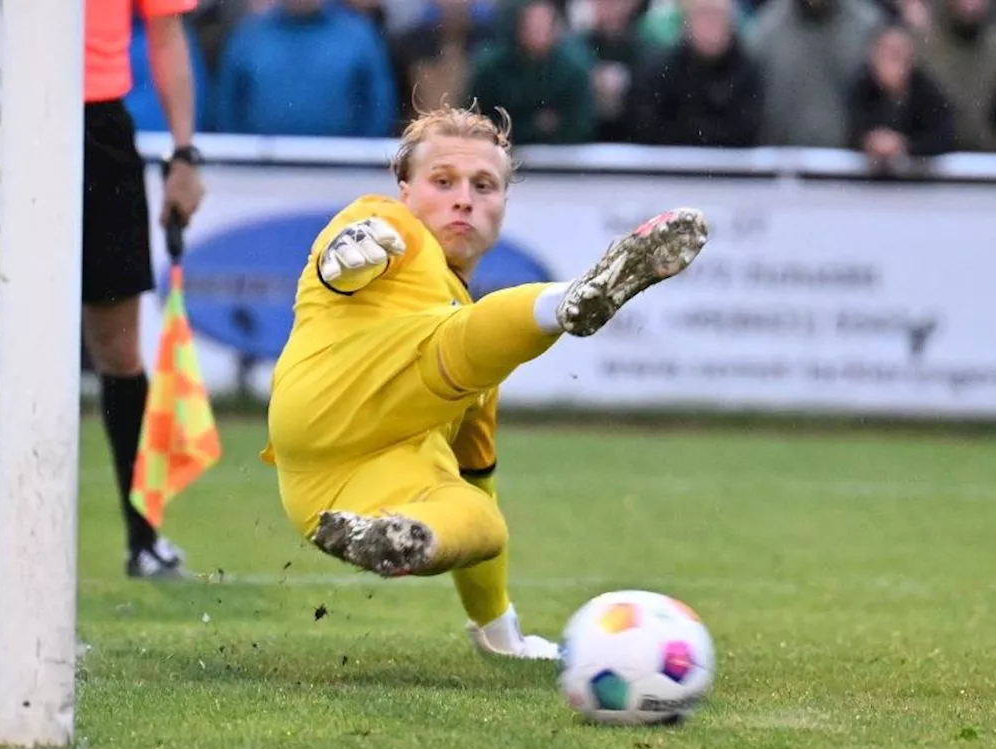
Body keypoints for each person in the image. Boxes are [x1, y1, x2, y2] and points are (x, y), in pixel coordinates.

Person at [259, 104, 708, 659]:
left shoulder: (479, 355)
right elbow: (349, 249)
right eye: (442, 181)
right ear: (404, 189)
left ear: (504, 205)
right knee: (455, 339)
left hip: (337, 501)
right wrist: (342, 260)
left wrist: (500, 633)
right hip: (323, 397)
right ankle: (569, 300)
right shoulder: (390, 228)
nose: (464, 199)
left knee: (481, 518)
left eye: (484, 185)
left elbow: (478, 480)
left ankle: (399, 538)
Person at [0, 0, 206, 579]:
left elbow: (168, 35)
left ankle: (145, 541)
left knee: (119, 348)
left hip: (99, 131)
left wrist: (184, 153)